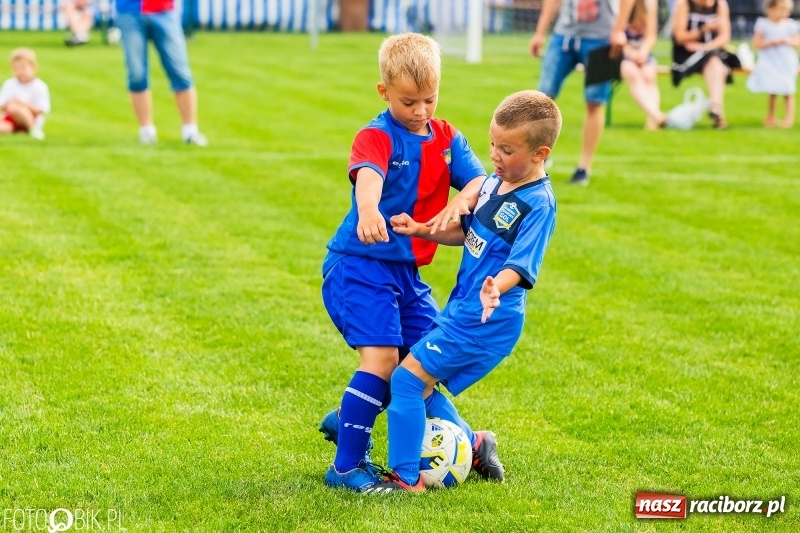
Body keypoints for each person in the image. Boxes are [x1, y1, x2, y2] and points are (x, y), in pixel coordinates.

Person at [319, 32, 497, 493]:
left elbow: (478, 179)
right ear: (384, 93)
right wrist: (370, 210)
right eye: (408, 102)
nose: (420, 111)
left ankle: (467, 442)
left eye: (429, 100)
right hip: (358, 267)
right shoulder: (375, 136)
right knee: (380, 362)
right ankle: (345, 469)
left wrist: (464, 203)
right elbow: (368, 178)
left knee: (422, 366)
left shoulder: (446, 137)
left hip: (406, 275)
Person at [364, 90, 560, 493]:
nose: (495, 155)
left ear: (540, 153)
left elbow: (521, 266)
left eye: (507, 149)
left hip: (488, 318)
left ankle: (406, 478)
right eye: (492, 144)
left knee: (405, 381)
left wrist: (495, 287)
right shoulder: (494, 184)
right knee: (418, 381)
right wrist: (421, 229)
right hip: (463, 310)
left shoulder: (538, 203)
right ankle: (475, 444)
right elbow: (470, 233)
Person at [529, 0, 636, 186]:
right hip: (563, 35)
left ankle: (583, 168)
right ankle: (538, 157)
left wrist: (619, 30)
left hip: (602, 38)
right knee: (541, 99)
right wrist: (539, 32)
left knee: (595, 102)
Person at [115, 0, 207, 145]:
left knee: (180, 72)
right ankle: (146, 131)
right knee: (136, 74)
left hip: (163, 10)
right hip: (129, 11)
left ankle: (190, 131)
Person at [671, 0, 738, 129]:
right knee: (717, 65)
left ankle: (716, 108)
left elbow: (725, 36)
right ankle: (717, 111)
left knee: (716, 64)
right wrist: (703, 30)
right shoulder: (684, 4)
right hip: (687, 53)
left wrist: (706, 47)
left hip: (711, 51)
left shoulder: (720, 5)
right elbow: (679, 36)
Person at [746, 0, 800, 128]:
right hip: (771, 62)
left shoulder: (790, 25)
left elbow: (797, 42)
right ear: (770, 8)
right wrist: (771, 42)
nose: (784, 13)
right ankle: (771, 116)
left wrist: (787, 40)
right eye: (781, 9)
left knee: (788, 90)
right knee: (773, 89)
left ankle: (788, 119)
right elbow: (756, 44)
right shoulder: (763, 24)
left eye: (786, 10)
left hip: (786, 61)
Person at [621, 0, 670, 129]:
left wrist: (643, 52)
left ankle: (652, 121)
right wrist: (630, 53)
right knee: (632, 72)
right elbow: (613, 34)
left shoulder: (649, 3)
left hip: (641, 50)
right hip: (620, 51)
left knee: (649, 74)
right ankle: (656, 115)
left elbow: (651, 36)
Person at [0, 48, 50, 141]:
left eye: (23, 68)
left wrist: (22, 104)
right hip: (11, 118)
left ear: (33, 67)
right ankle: (19, 131)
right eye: (16, 68)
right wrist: (8, 103)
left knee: (15, 107)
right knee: (3, 127)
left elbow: (41, 110)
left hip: (31, 117)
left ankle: (33, 129)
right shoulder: (9, 84)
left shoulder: (39, 86)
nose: (20, 72)